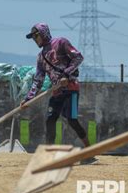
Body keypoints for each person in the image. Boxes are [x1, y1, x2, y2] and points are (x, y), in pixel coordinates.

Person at [21, 23, 97, 165]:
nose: (35, 40)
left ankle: (89, 152)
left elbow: (78, 58)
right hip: (56, 92)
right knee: (50, 120)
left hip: (70, 88)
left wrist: (66, 74)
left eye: (36, 36)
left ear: (43, 33)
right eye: (33, 38)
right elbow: (38, 80)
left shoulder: (61, 42)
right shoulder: (41, 57)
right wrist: (28, 99)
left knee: (72, 120)